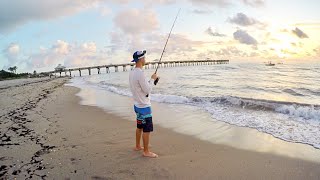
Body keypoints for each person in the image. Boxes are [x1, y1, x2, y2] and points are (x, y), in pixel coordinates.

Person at [129, 50, 158, 158]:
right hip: (144, 107)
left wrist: (150, 81)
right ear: (141, 59)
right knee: (146, 129)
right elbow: (147, 90)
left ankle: (137, 146)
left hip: (137, 105)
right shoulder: (140, 73)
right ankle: (146, 151)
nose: (145, 60)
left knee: (139, 126)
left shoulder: (132, 72)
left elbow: (136, 88)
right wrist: (152, 79)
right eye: (144, 58)